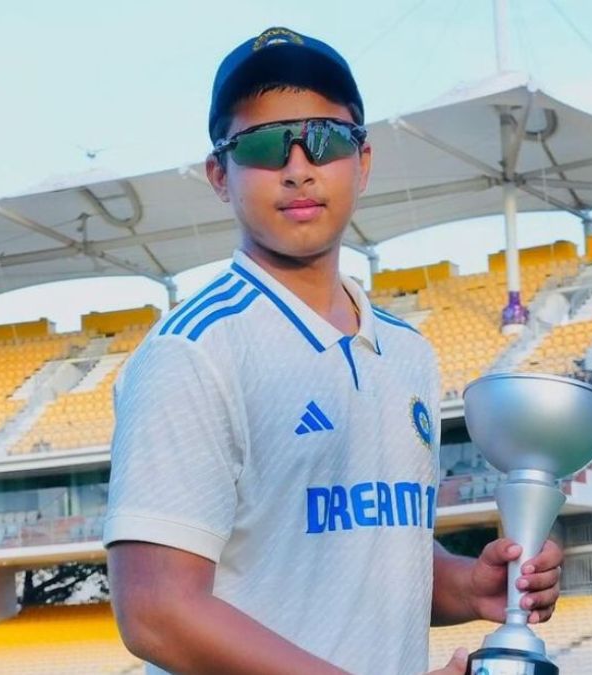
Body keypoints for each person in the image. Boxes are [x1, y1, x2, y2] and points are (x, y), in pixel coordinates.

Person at [103, 27, 564, 675]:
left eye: (325, 139)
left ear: (363, 161)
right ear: (219, 174)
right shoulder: (195, 350)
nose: (298, 167)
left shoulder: (408, 354)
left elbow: (363, 551)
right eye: (264, 146)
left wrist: (468, 584)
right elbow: (156, 610)